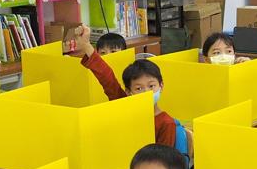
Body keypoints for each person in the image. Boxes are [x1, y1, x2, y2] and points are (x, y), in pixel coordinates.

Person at [75, 25, 188, 153]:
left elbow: (161, 163)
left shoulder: (166, 124)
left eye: (151, 86)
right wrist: (86, 46)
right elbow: (107, 78)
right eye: (139, 88)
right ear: (129, 92)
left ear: (161, 86)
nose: (146, 92)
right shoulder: (125, 105)